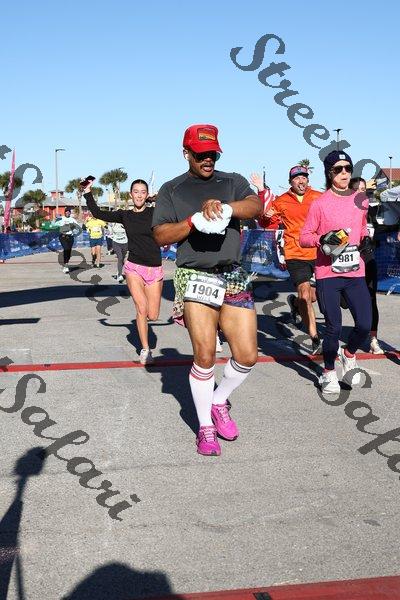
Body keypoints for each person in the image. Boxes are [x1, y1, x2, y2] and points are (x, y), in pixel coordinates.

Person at [152, 123, 262, 456]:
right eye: (200, 154)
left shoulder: (231, 181)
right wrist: (191, 222)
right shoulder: (172, 190)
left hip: (233, 274)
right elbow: (160, 235)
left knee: (247, 356)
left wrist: (228, 208)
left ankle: (218, 400)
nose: (208, 159)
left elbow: (255, 206)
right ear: (186, 153)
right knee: (205, 355)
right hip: (195, 276)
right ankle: (205, 428)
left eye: (212, 153)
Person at [300, 151, 372, 394]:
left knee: (364, 324)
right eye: (338, 169)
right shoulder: (319, 203)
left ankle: (348, 354)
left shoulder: (361, 200)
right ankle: (328, 372)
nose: (344, 173)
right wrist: (321, 240)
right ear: (329, 173)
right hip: (328, 274)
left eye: (347, 168)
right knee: (333, 327)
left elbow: (362, 228)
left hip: (355, 272)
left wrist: (365, 239)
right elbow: (304, 237)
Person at [83, 179, 163, 364]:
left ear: (147, 195)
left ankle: (145, 336)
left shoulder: (155, 213)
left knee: (153, 315)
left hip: (154, 267)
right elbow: (98, 213)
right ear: (130, 194)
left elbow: (172, 206)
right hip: (134, 267)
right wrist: (87, 193)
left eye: (143, 192)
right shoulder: (125, 215)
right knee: (141, 308)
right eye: (136, 191)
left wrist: (157, 198)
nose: (139, 195)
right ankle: (145, 350)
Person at [253, 166, 322, 353]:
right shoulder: (281, 201)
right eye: (297, 178)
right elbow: (266, 222)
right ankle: (315, 338)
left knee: (313, 297)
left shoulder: (318, 197)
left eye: (304, 177)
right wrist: (265, 216)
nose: (301, 181)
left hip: (318, 252)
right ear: (291, 182)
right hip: (295, 253)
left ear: (308, 180)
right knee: (305, 295)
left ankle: (296, 305)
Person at [349, 177, 384, 354]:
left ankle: (373, 339)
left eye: (364, 189)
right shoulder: (345, 211)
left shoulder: (373, 210)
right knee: (348, 300)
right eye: (358, 189)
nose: (362, 193)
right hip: (350, 259)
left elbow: (384, 227)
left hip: (368, 257)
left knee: (371, 298)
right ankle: (360, 329)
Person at [52, 207, 82, 273]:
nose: (67, 213)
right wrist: (55, 219)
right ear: (64, 212)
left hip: (70, 237)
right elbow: (53, 224)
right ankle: (65, 265)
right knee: (66, 249)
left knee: (69, 251)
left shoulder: (72, 220)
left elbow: (78, 227)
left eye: (69, 212)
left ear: (70, 213)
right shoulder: (61, 218)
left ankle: (66, 263)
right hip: (63, 237)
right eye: (66, 212)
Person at [109, 218, 128, 283]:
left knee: (122, 259)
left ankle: (119, 270)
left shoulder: (125, 222)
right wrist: (110, 232)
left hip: (125, 242)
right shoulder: (113, 223)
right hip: (116, 242)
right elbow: (110, 231)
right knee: (120, 258)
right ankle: (120, 275)